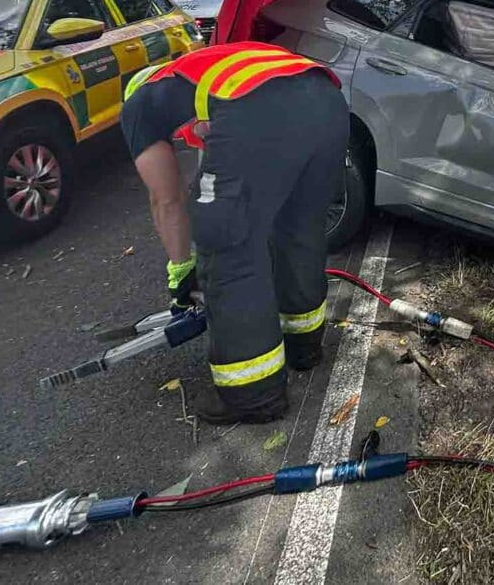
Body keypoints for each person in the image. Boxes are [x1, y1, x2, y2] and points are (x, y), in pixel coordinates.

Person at [120, 42, 349, 425]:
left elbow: (167, 199)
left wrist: (182, 268)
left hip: (259, 106)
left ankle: (254, 395)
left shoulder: (138, 106)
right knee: (298, 227)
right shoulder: (209, 70)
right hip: (328, 102)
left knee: (227, 242)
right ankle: (303, 346)